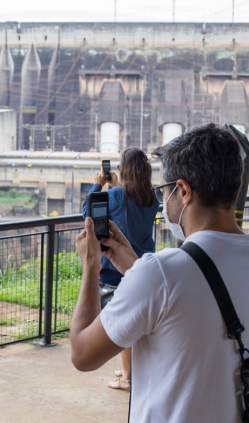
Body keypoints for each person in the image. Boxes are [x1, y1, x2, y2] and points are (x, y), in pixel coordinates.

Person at [71, 123, 249, 422]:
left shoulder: (160, 274)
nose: (163, 200)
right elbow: (191, 307)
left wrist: (91, 266)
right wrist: (136, 268)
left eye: (165, 190)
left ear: (184, 191)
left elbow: (83, 355)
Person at [81, 148, 159, 391]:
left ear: (124, 170)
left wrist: (97, 186)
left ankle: (127, 377)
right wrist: (115, 187)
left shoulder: (115, 195)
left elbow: (87, 215)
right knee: (138, 321)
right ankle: (131, 368)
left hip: (115, 270)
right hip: (142, 265)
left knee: (124, 326)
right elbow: (128, 202)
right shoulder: (152, 197)